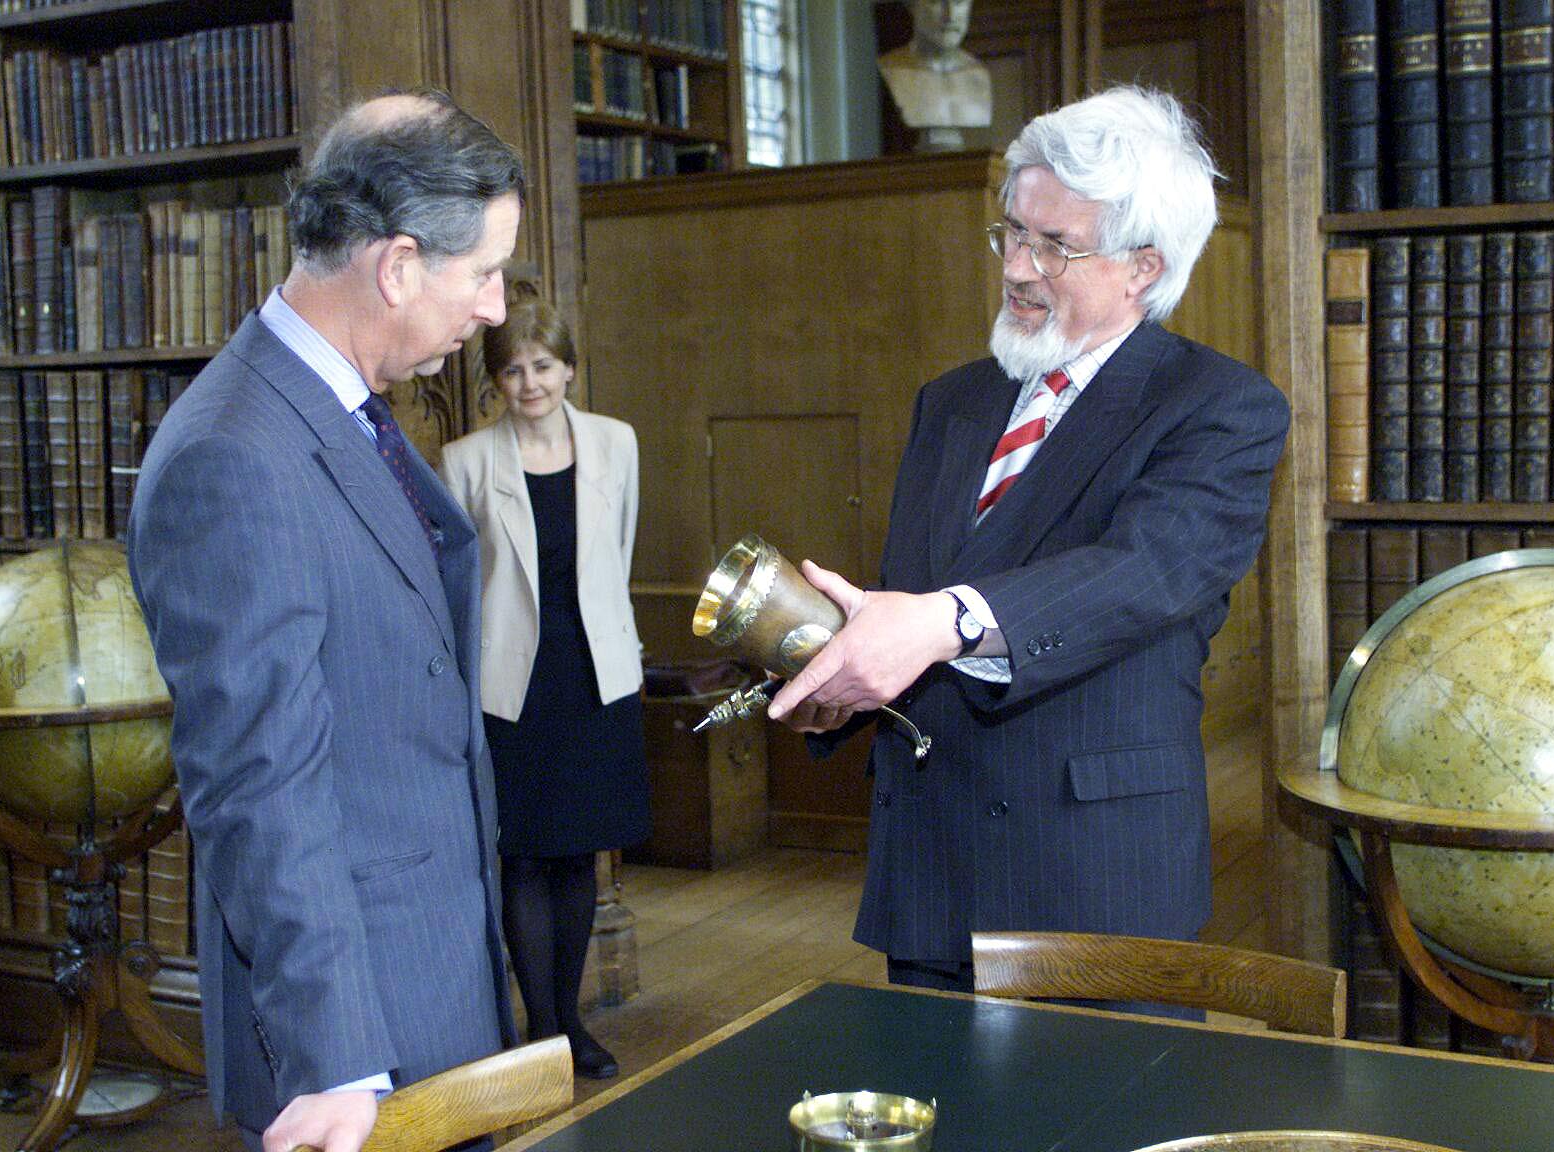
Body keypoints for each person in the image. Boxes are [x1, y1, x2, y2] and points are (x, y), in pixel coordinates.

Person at [766, 86, 1291, 999]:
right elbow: (911, 597)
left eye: (1056, 245)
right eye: (1011, 232)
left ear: (1143, 268)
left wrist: (937, 624)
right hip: (931, 874)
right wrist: (839, 681)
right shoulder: (952, 401)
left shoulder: (1220, 408)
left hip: (1089, 880)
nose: (1017, 265)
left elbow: (1142, 573)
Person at [128, 90, 524, 1152]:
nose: (494, 309)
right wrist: (341, 1058)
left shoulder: (346, 414)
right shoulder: (234, 457)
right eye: (483, 274)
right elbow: (257, 783)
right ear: (396, 266)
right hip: (354, 1040)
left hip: (431, 979)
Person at [441, 295, 650, 1081]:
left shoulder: (616, 443)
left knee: (580, 856)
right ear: (496, 380)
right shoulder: (465, 460)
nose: (530, 383)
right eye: (512, 370)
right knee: (524, 857)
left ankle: (571, 1024)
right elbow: (459, 584)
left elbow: (619, 549)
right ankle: (542, 1029)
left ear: (568, 368)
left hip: (596, 672)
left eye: (543, 366)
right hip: (510, 683)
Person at [878, 0, 991, 152]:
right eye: (936, 2)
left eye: (959, 2)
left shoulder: (979, 74)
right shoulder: (891, 69)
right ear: (912, 6)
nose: (950, 16)